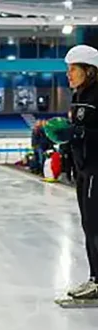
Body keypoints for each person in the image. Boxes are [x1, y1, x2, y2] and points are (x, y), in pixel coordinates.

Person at [64, 45, 98, 300]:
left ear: (89, 70)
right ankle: (95, 277)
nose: (69, 74)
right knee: (89, 225)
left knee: (95, 225)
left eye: (73, 69)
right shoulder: (79, 96)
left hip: (97, 169)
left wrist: (81, 132)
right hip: (83, 169)